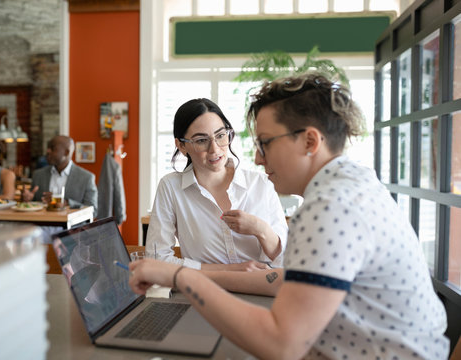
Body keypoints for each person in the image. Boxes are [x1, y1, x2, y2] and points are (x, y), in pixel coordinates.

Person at [129, 74, 449, 359]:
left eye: (265, 143)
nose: (255, 156)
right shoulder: (354, 183)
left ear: (310, 141)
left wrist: (179, 275)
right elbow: (285, 284)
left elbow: (281, 344)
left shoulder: (331, 207)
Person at [146, 98, 288, 271]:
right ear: (182, 146)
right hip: (200, 292)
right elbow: (157, 259)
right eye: (201, 141)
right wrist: (229, 271)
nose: (215, 149)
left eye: (220, 136)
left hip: (260, 293)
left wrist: (260, 229)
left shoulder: (261, 183)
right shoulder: (170, 187)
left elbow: (286, 261)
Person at [22, 135, 98, 217]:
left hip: (71, 228)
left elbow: (93, 211)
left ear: (67, 152)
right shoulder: (38, 175)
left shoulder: (86, 178)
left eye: (53, 148)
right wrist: (27, 200)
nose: (48, 151)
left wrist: (66, 203)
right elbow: (31, 204)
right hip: (42, 225)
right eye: (48, 148)